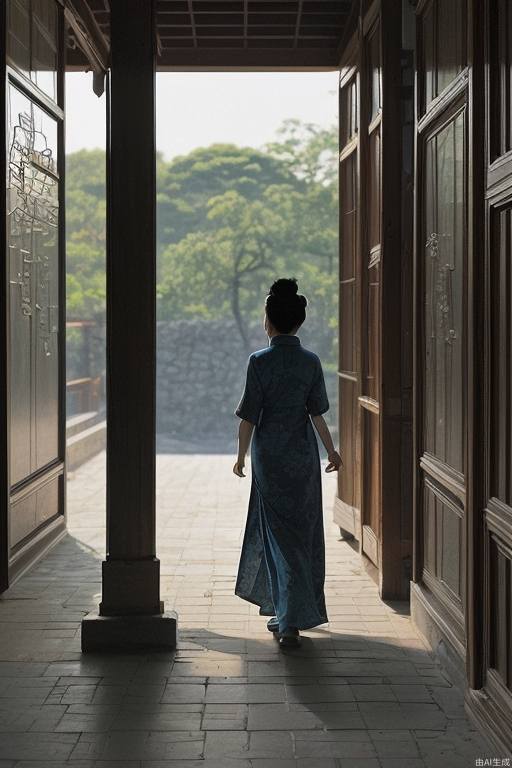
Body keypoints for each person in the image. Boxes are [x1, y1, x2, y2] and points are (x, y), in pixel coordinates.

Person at [233, 277, 342, 648]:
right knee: (301, 535)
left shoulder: (259, 362)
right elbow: (317, 415)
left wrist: (240, 456)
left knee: (277, 537)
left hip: (270, 459)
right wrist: (331, 451)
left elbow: (249, 416)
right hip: (302, 459)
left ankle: (288, 620)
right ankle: (289, 611)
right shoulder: (310, 362)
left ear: (269, 320)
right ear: (299, 322)